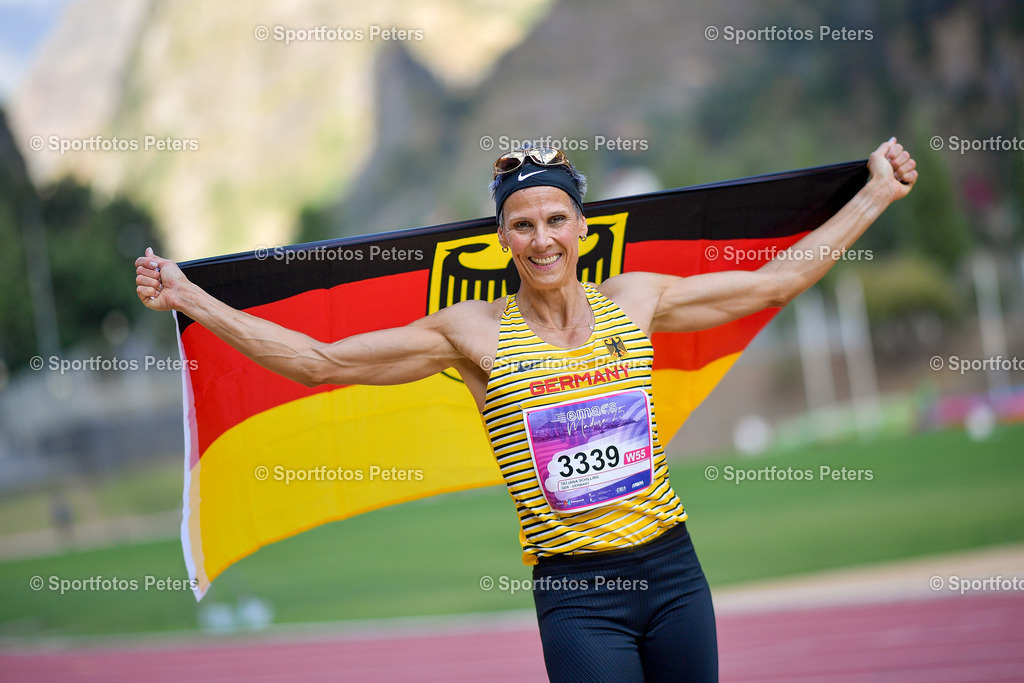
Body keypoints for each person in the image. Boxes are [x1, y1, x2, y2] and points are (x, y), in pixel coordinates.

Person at [135, 139, 917, 681]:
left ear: (581, 227)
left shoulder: (635, 298)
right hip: (578, 596)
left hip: (674, 570)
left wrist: (878, 192)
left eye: (554, 219)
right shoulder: (469, 330)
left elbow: (773, 283)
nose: (541, 238)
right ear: (502, 236)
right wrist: (192, 297)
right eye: (522, 223)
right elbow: (317, 361)